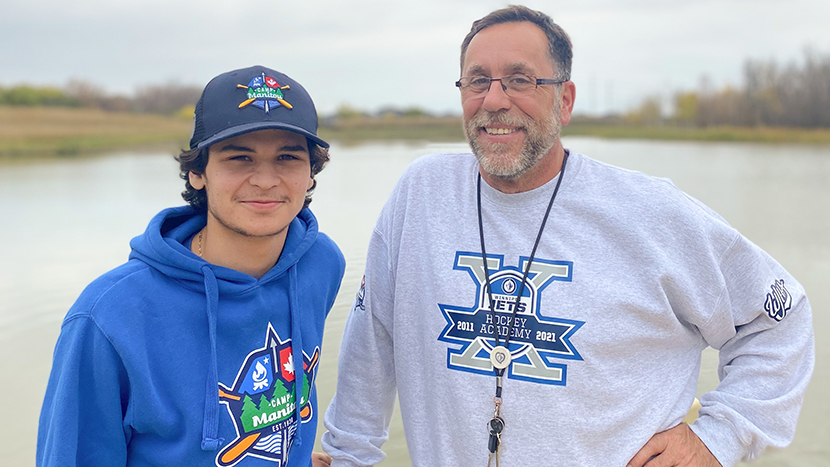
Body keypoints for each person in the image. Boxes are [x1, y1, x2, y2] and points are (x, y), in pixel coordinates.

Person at [322, 6, 814, 467]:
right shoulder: (421, 196)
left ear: (565, 100)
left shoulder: (651, 213)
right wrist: (346, 456)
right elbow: (370, 347)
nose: (494, 100)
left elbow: (780, 314)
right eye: (478, 81)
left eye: (520, 80)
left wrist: (719, 437)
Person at [37, 65, 345, 467]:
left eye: (287, 157)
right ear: (198, 172)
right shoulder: (109, 316)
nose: (266, 180)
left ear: (311, 173)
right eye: (240, 158)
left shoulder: (320, 263)